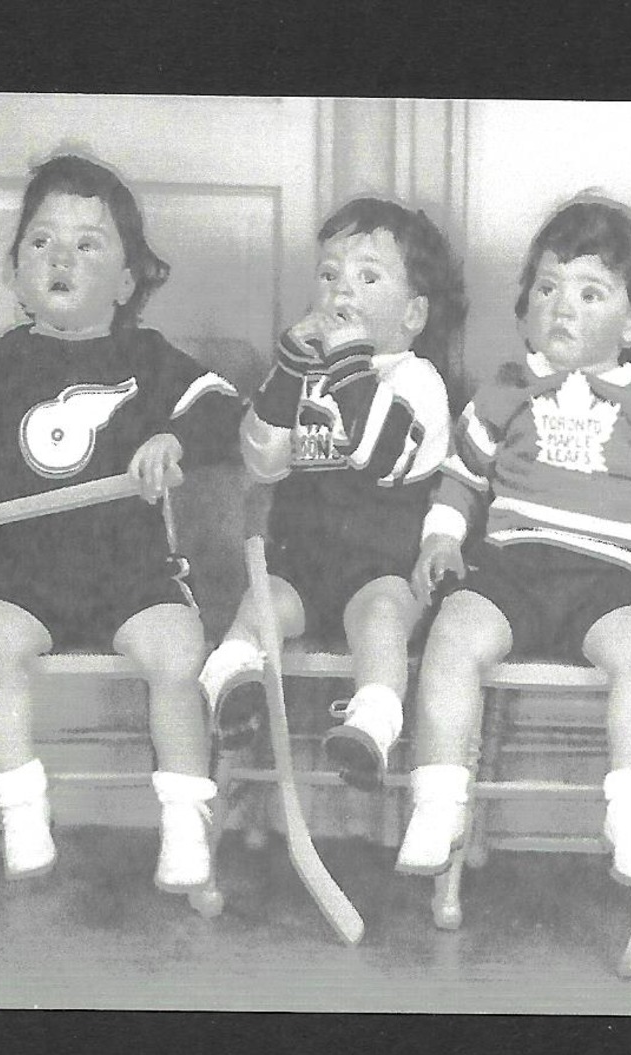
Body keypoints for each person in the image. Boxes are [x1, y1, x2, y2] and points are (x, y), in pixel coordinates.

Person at [401, 197, 631, 885]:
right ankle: (438, 798)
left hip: (609, 578)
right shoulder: (508, 387)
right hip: (510, 568)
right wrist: (441, 536)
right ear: (526, 305)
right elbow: (463, 472)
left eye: (592, 294)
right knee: (451, 637)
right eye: (549, 288)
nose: (563, 307)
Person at [0, 153, 242, 893]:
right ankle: (21, 803)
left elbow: (222, 410)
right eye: (41, 242)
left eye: (88, 243)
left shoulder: (146, 355)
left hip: (132, 574)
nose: (61, 257)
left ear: (129, 281)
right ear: (15, 270)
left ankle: (184, 819)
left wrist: (175, 438)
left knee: (176, 651)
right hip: (27, 572)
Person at [197, 198, 467, 790]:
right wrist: (289, 371)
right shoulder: (307, 374)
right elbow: (262, 460)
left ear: (413, 314)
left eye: (369, 277)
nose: (342, 292)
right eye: (329, 275)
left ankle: (372, 721)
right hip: (303, 562)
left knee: (382, 618)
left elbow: (380, 454)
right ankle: (234, 685)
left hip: (381, 567)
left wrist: (347, 363)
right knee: (261, 602)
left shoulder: (416, 380)